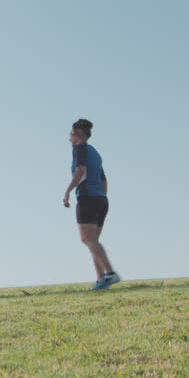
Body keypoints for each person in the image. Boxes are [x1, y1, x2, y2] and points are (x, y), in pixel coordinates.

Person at [63, 119, 121, 291]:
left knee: (87, 239)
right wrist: (100, 196)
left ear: (78, 135)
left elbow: (80, 171)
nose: (69, 139)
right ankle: (101, 280)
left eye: (70, 135)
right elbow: (104, 180)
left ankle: (110, 274)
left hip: (87, 197)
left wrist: (68, 191)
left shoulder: (79, 149)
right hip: (101, 199)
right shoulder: (95, 152)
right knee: (93, 241)